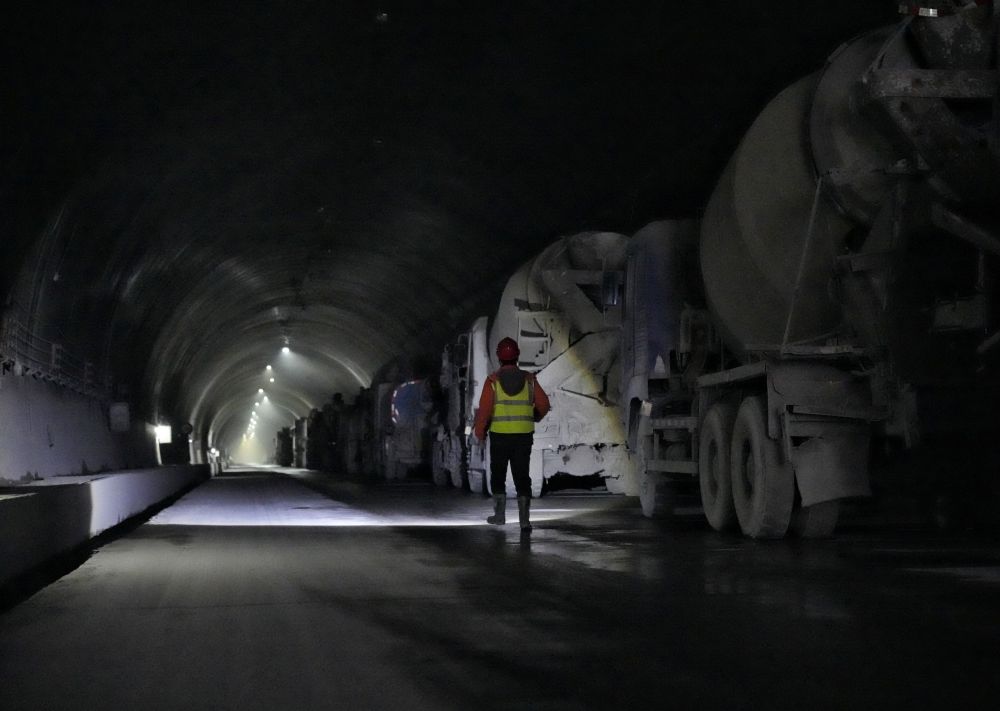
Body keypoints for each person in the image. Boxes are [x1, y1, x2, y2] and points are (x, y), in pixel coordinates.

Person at [473, 337, 550, 532]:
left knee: (498, 475)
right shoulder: (529, 380)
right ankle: (524, 521)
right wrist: (534, 417)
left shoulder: (492, 382)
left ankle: (499, 516)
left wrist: (480, 433)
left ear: (498, 358)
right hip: (523, 436)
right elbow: (543, 404)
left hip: (499, 436)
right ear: (517, 356)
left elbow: (484, 411)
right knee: (522, 475)